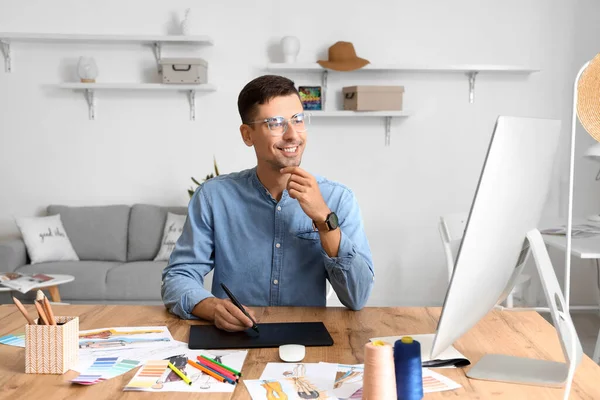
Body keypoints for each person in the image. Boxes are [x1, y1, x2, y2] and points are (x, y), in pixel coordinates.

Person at [161, 75, 374, 331]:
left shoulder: (339, 199)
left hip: (308, 342)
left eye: (298, 120)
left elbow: (358, 297)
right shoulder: (213, 197)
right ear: (247, 134)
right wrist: (212, 307)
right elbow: (178, 277)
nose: (292, 135)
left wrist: (324, 219)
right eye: (275, 123)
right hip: (234, 342)